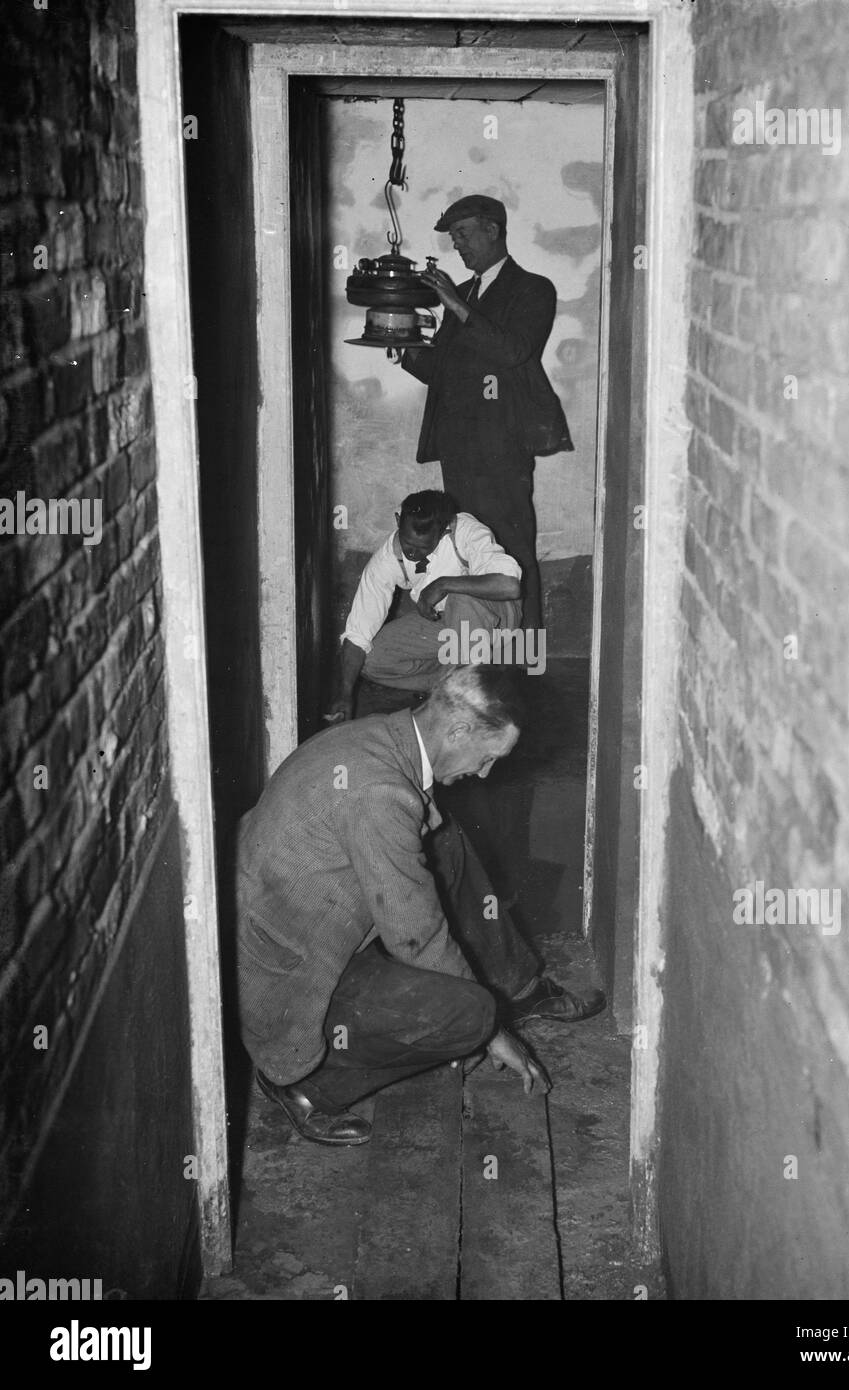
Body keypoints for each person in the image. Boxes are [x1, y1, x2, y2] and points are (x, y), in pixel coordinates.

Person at [236, 665, 605, 1147]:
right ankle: (304, 1086)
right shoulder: (380, 792)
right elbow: (416, 937)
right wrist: (491, 1032)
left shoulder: (381, 735)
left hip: (306, 917)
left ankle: (519, 986)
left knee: (444, 838)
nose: (484, 773)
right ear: (458, 730)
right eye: (488, 756)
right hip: (293, 975)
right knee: (469, 1013)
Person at [400, 194, 573, 630]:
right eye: (453, 237)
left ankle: (526, 657)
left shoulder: (533, 288)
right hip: (459, 445)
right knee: (468, 547)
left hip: (502, 445)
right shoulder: (464, 294)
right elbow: (442, 370)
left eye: (462, 234)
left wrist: (455, 304)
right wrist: (400, 345)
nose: (456, 245)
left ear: (492, 230)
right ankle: (483, 651)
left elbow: (513, 351)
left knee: (513, 547)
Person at [327, 489, 524, 721]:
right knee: (372, 659)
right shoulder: (386, 559)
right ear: (399, 521)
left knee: (461, 598)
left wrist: (443, 585)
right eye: (407, 542)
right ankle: (454, 681)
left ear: (444, 530)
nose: (412, 553)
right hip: (446, 625)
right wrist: (345, 693)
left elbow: (510, 586)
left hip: (495, 620)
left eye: (423, 548)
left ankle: (468, 702)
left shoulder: (467, 531)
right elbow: (358, 633)